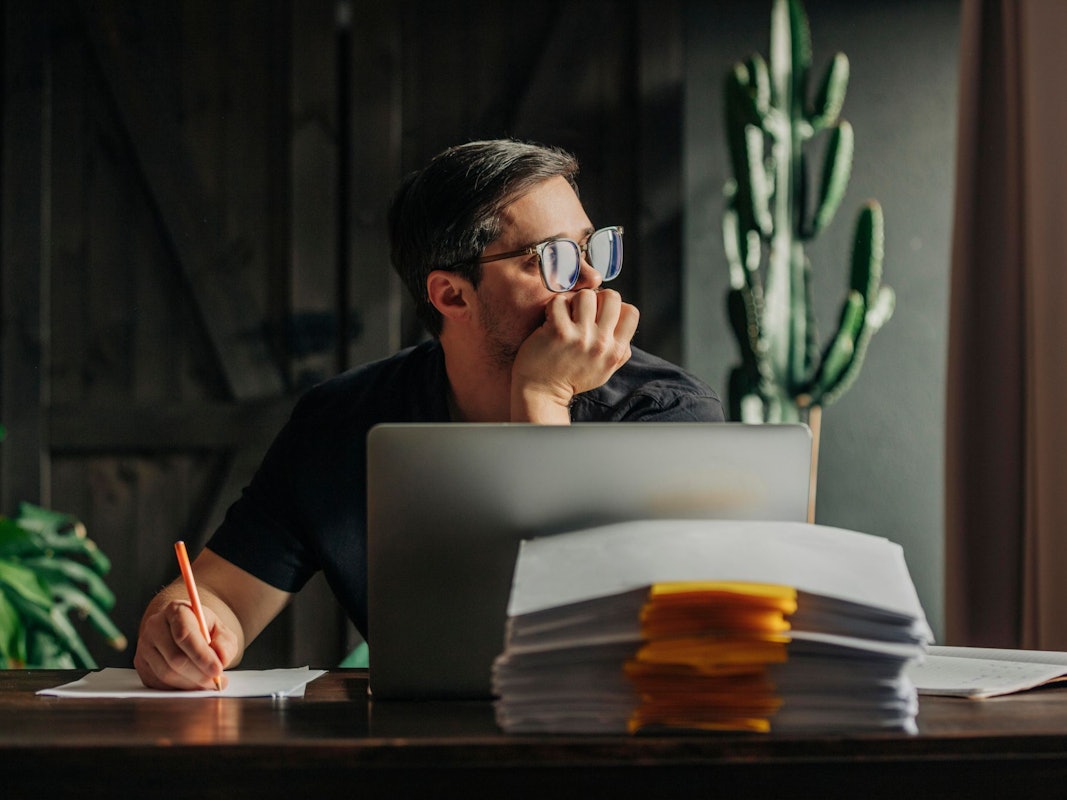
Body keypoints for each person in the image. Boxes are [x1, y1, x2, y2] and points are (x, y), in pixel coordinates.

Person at [134, 138, 724, 690]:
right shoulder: (342, 422)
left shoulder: (667, 414)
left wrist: (543, 397)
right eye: (555, 259)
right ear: (452, 296)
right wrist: (186, 624)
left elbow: (596, 648)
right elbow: (223, 597)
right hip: (412, 753)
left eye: (592, 248)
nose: (592, 283)